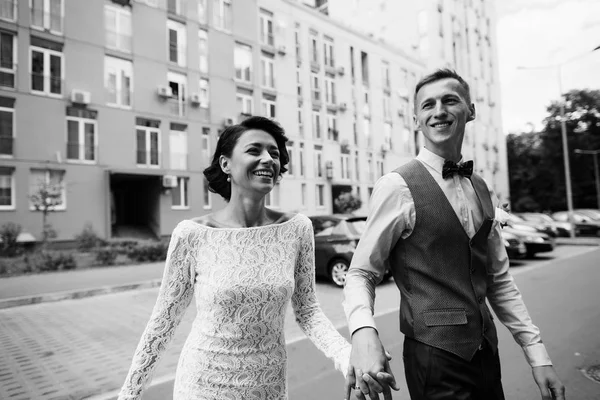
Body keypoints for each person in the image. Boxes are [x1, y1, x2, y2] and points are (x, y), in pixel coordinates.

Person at [342, 69, 566, 400]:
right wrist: (363, 332)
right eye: (428, 104)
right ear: (416, 119)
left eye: (450, 100)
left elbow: (499, 281)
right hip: (434, 358)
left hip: (486, 353)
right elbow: (361, 272)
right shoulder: (397, 186)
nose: (439, 111)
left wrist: (538, 357)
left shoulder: (483, 188)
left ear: (470, 111)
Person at [118, 116, 351, 400]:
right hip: (202, 385)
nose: (268, 159)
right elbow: (163, 321)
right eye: (255, 151)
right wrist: (130, 393)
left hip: (268, 386)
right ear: (225, 164)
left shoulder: (297, 229)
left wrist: (348, 355)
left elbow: (308, 311)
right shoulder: (192, 235)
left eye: (274, 153)